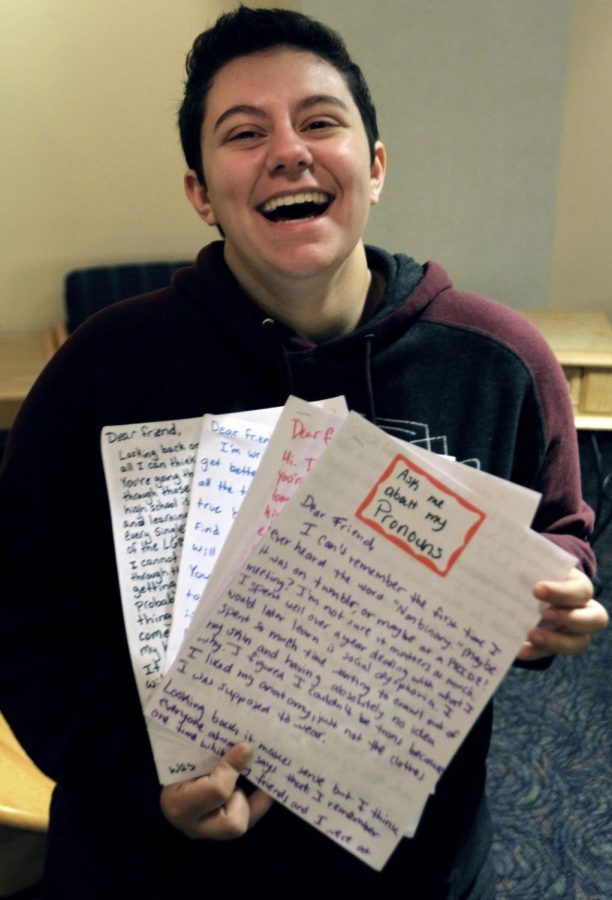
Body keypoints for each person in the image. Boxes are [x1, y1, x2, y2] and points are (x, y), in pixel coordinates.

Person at [0, 7, 607, 898]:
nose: (289, 150)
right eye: (244, 133)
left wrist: (557, 603)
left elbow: (562, 533)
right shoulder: (101, 372)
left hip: (413, 862)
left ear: (377, 165)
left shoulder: (503, 363)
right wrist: (138, 781)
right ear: (200, 193)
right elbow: (25, 618)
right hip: (154, 866)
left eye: (321, 122)